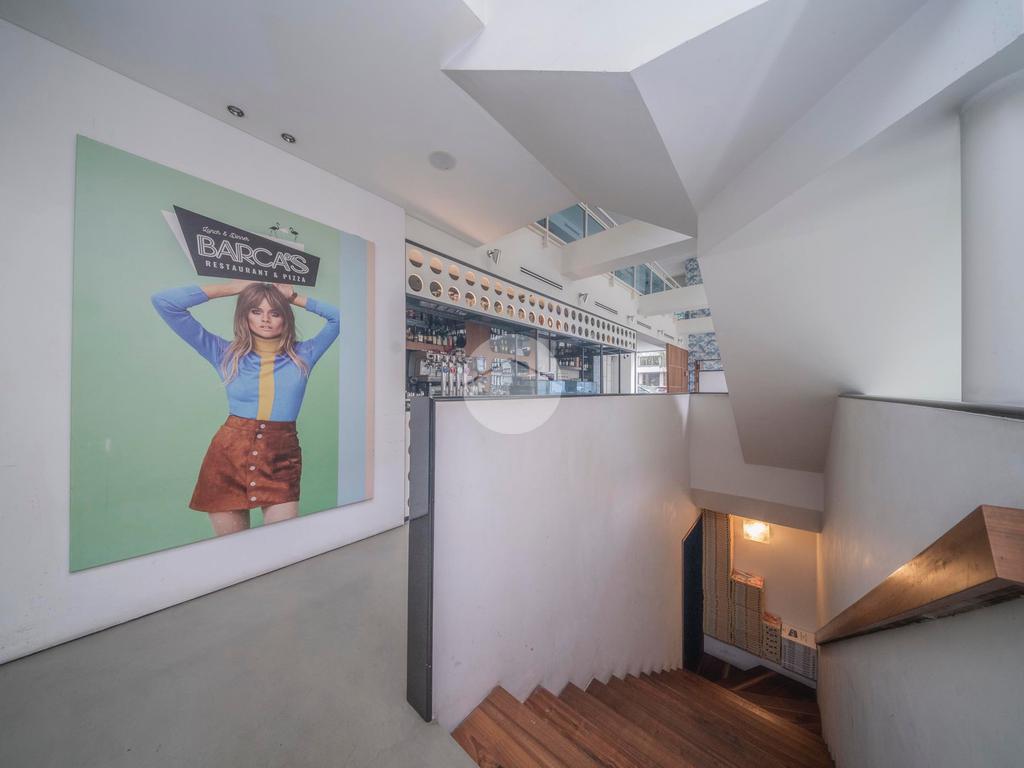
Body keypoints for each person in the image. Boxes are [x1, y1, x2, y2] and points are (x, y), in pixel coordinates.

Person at [151, 280, 339, 536]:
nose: (265, 319)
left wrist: (293, 297)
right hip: (228, 457)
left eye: (275, 312)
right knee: (233, 550)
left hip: (280, 458)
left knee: (283, 545)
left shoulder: (304, 354)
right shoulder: (224, 352)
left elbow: (340, 318)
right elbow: (165, 302)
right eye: (256, 311)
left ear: (285, 318)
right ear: (245, 315)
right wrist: (240, 287)